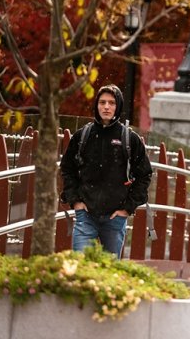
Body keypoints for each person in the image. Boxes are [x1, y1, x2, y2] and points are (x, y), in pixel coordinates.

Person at [60, 84, 152, 258]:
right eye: (102, 102)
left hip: (115, 218)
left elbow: (144, 174)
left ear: (118, 106)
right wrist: (76, 201)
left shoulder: (129, 139)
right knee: (79, 266)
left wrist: (127, 208)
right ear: (96, 105)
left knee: (109, 270)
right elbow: (67, 168)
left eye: (111, 103)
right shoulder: (83, 135)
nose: (106, 107)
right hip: (85, 215)